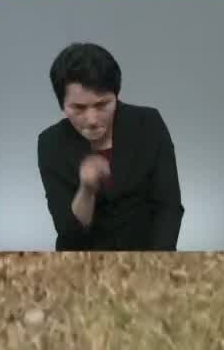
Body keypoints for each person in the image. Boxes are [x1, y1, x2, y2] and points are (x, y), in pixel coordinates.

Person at [35, 42, 185, 251]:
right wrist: (87, 189)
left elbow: (168, 207)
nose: (92, 119)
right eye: (78, 108)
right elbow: (68, 232)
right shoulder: (50, 143)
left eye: (102, 105)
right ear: (62, 105)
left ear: (116, 96)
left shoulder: (148, 123)